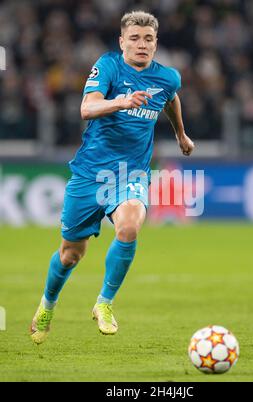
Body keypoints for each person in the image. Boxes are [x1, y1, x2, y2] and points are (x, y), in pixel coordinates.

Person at [30, 10, 194, 344]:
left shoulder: (168, 77)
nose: (141, 44)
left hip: (129, 173)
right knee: (70, 254)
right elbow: (86, 109)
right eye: (134, 38)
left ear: (156, 42)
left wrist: (181, 134)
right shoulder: (107, 66)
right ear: (122, 42)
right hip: (90, 173)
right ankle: (47, 304)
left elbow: (171, 98)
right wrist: (121, 102)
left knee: (130, 225)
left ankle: (103, 303)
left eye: (148, 39)